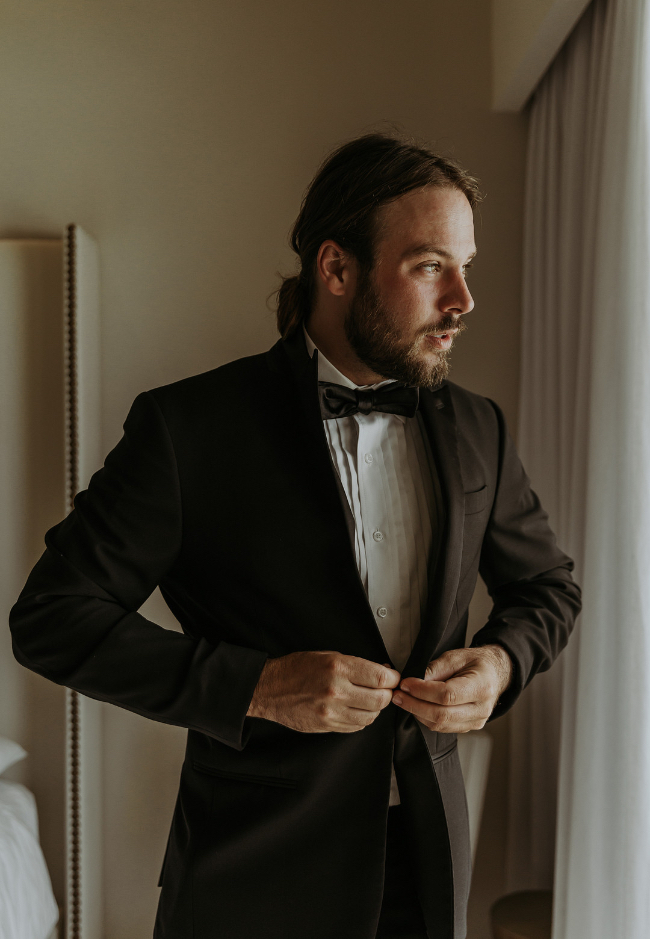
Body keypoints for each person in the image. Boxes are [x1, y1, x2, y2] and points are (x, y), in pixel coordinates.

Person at [9, 134, 581, 939]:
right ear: (337, 269)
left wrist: (502, 660)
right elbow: (51, 616)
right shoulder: (188, 429)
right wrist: (256, 685)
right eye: (429, 266)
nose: (463, 298)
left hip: (426, 856)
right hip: (253, 873)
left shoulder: (477, 426)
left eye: (466, 265)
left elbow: (547, 587)